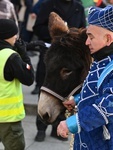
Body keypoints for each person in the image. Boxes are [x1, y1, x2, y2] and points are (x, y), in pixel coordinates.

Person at [57, 5, 113, 149]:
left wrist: (71, 124)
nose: (87, 42)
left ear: (108, 39)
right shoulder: (106, 57)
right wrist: (77, 100)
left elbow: (111, 107)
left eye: (91, 37)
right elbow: (100, 90)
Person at [32, 0, 86, 142]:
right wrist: (61, 35)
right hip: (54, 56)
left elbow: (83, 29)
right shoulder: (49, 4)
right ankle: (41, 129)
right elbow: (38, 27)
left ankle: (58, 127)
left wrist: (72, 37)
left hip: (69, 59)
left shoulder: (78, 7)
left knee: (65, 92)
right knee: (47, 88)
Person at [0, 19, 34, 150]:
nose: (16, 36)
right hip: (8, 119)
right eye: (14, 33)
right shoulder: (11, 56)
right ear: (6, 35)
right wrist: (24, 55)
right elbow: (29, 79)